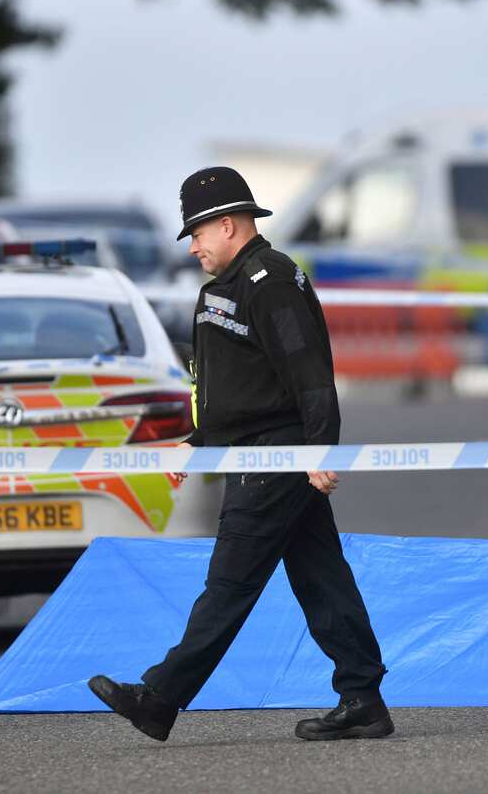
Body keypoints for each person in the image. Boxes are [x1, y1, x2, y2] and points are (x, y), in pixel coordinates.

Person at [89, 166, 391, 743]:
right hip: (254, 453)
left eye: (198, 234)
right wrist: (198, 443)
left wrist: (320, 447)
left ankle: (159, 698)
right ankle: (363, 698)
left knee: (229, 585)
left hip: (277, 456)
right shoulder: (223, 289)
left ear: (228, 225)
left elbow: (309, 375)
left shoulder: (269, 282)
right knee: (322, 579)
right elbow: (232, 387)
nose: (194, 247)